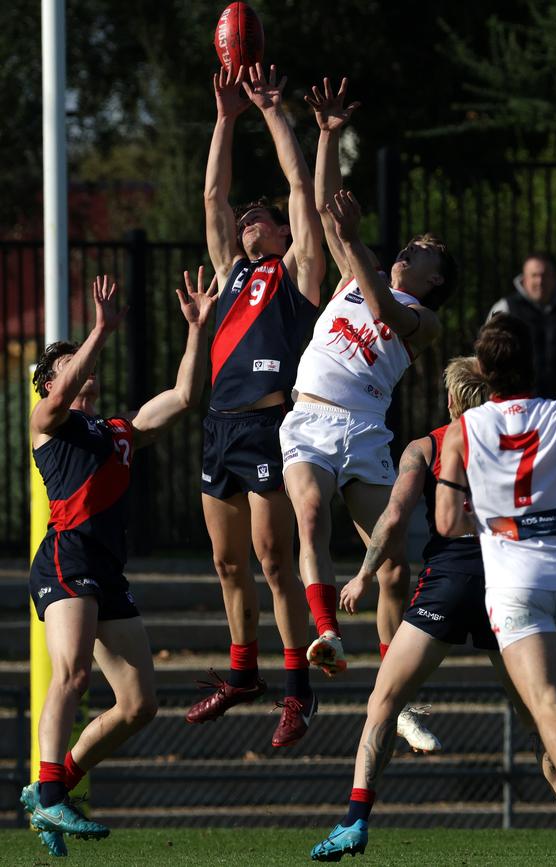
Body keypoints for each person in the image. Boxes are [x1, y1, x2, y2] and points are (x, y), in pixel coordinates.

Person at [310, 356, 553, 862]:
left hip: (448, 584)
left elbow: (395, 515)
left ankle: (354, 822)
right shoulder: (516, 446)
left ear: (449, 401)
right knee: (538, 718)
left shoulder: (427, 445)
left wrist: (362, 574)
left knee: (384, 702)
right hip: (507, 585)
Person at [280, 81, 457, 756]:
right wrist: (325, 133)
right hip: (312, 418)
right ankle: (325, 630)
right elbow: (328, 214)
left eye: (426, 251)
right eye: (411, 244)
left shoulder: (424, 317)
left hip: (365, 432)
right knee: (309, 515)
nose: (412, 249)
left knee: (393, 564)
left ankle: (395, 693)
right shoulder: (361, 269)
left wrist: (353, 243)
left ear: (437, 278)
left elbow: (385, 313)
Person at [23, 270, 217, 856]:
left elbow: (186, 398)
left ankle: (52, 790)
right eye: (68, 364)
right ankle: (52, 791)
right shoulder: (48, 424)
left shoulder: (117, 431)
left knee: (139, 704)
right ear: (52, 382)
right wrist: (101, 330)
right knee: (75, 675)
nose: (82, 370)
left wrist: (199, 331)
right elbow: (59, 394)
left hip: (106, 571)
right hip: (67, 558)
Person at [436, 312, 556, 867]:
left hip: (515, 587)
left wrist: (487, 509)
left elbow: (448, 521)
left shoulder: (462, 431)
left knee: (545, 704)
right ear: (533, 363)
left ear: (482, 371)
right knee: (544, 704)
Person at [184, 63, 325, 748]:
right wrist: (224, 117)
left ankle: (298, 689)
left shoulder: (296, 272)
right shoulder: (231, 272)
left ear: (277, 233)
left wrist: (271, 109)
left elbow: (301, 187)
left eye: (257, 217)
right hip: (220, 427)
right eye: (244, 219)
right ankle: (245, 671)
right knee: (228, 563)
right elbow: (213, 192)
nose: (246, 220)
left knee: (273, 560)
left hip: (270, 426)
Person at [487, 252, 556, 405]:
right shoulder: (506, 308)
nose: (540, 281)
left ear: (555, 278)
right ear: (524, 278)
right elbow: (489, 356)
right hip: (517, 406)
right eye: (534, 275)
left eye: (545, 275)